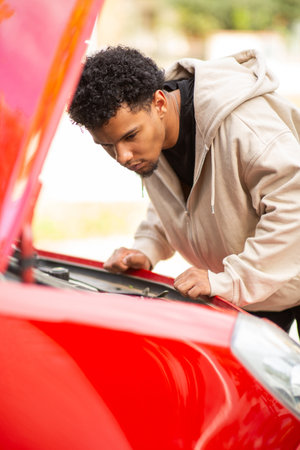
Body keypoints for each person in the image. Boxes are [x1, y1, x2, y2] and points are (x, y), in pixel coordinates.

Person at [68, 45, 300, 336]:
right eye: (107, 145)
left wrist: (232, 279)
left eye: (129, 136)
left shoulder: (243, 125)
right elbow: (184, 203)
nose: (123, 156)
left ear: (160, 103)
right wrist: (147, 247)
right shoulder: (152, 140)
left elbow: (294, 209)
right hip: (256, 292)